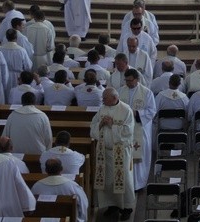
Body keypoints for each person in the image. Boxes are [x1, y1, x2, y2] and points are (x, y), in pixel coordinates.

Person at [90, 87, 136, 219]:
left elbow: (128, 131)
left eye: (105, 98)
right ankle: (112, 205)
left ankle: (126, 208)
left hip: (120, 151)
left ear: (114, 98)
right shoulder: (102, 109)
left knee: (124, 179)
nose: (102, 100)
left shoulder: (126, 110)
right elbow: (93, 125)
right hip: (104, 151)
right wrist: (100, 123)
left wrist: (112, 125)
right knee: (108, 181)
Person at [116, 68, 156, 190]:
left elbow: (152, 111)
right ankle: (127, 182)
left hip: (140, 128)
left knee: (139, 156)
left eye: (130, 80)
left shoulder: (147, 92)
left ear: (137, 79)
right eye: (126, 80)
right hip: (124, 129)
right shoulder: (120, 91)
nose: (128, 83)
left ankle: (138, 183)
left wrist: (136, 113)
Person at [32, 158, 88, 222]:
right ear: (61, 169)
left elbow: (30, 205)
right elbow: (83, 204)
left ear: (46, 170)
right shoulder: (72, 186)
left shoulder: (36, 186)